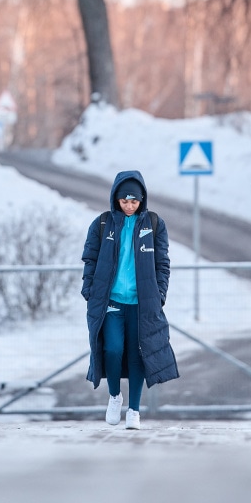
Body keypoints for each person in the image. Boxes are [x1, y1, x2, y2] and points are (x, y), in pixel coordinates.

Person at [81, 169, 179, 429]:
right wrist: (88, 290)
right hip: (111, 301)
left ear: (142, 199)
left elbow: (162, 263)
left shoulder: (154, 224)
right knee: (112, 349)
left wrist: (159, 294)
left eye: (134, 201)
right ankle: (115, 396)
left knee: (138, 354)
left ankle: (134, 410)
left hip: (142, 303)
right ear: (115, 198)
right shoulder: (102, 224)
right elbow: (90, 259)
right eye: (124, 200)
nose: (129, 206)